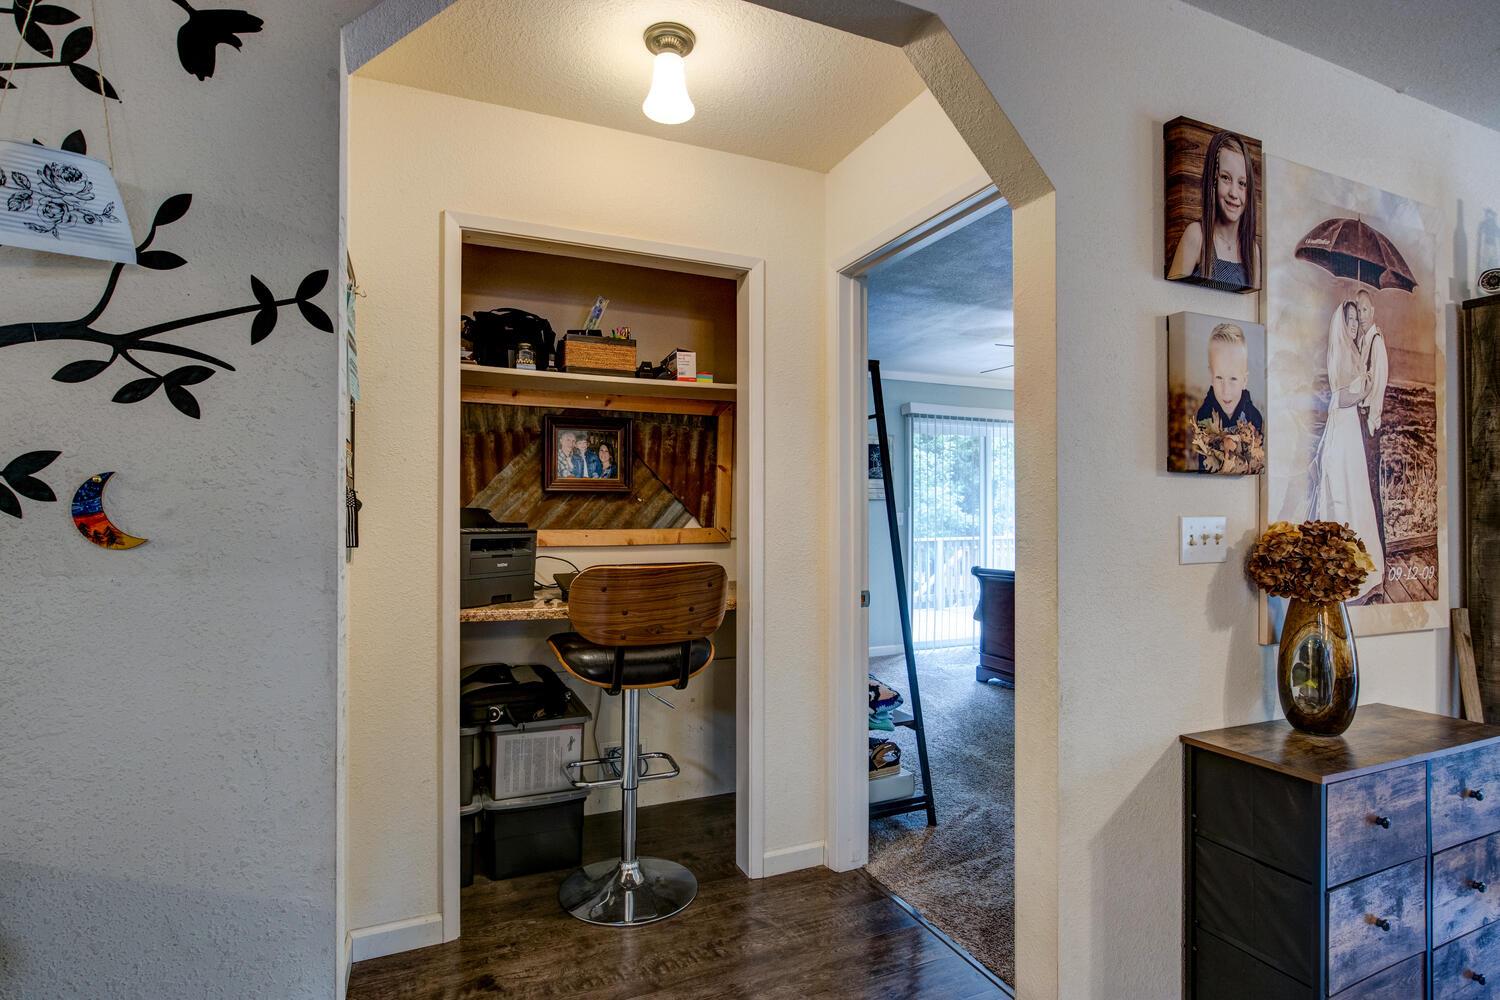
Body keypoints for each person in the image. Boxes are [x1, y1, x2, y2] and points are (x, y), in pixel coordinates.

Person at [1310, 300, 1384, 601]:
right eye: (1349, 320)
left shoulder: (1353, 350)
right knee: (1343, 487)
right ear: (1342, 323)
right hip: (1343, 428)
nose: (1354, 325)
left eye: (1356, 320)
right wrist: (1364, 390)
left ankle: (1360, 567)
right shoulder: (1340, 351)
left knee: (1356, 488)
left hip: (1351, 427)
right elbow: (1339, 398)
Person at [1167, 130, 1261, 290]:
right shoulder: (1196, 236)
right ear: (1213, 180)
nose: (1234, 193)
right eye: (1226, 178)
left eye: (1242, 183)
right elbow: (1169, 295)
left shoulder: (1253, 251)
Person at [1354, 290, 1390, 554]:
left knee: (1371, 485)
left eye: (1365, 309)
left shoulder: (1376, 342)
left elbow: (1379, 384)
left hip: (1368, 422)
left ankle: (1379, 550)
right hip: (1359, 418)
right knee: (1362, 485)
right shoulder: (1362, 341)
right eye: (1358, 310)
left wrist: (1371, 421)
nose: (1361, 315)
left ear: (1373, 311)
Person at [1195, 321, 1264, 438]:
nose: (1226, 390)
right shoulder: (1204, 416)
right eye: (1219, 377)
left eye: (1233, 379)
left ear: (1244, 380)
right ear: (1211, 376)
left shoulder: (1254, 417)